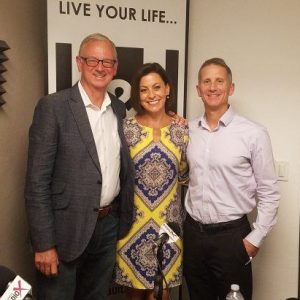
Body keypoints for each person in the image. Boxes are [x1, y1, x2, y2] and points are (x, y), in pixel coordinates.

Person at [24, 33, 134, 300]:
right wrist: (44, 243)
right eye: (92, 60)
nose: (100, 67)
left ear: (115, 68)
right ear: (79, 62)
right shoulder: (53, 107)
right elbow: (36, 182)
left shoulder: (119, 110)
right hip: (63, 233)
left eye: (107, 62)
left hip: (107, 228)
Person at [183, 57, 280, 300]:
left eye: (219, 81)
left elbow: (269, 192)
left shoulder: (254, 133)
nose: (213, 87)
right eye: (206, 81)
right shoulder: (187, 130)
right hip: (194, 235)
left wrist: (254, 240)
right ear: (198, 90)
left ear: (231, 88)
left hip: (232, 238)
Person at [115, 62, 189, 300]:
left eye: (156, 87)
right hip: (133, 225)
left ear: (167, 89)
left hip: (169, 225)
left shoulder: (182, 132)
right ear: (137, 94)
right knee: (134, 293)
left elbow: (186, 176)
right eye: (144, 90)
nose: (151, 95)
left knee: (162, 292)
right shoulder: (125, 129)